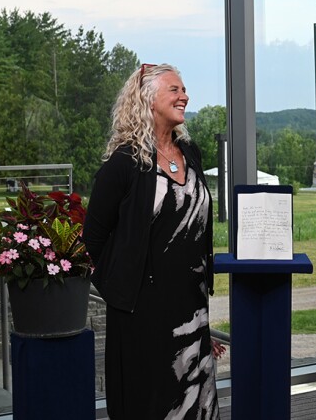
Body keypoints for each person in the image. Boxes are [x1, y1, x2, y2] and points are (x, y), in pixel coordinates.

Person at [83, 63, 223, 419]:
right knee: (151, 403)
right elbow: (94, 238)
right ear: (148, 99)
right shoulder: (124, 163)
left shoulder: (191, 154)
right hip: (142, 316)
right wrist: (124, 289)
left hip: (191, 307)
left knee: (195, 401)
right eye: (174, 89)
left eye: (184, 89)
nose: (184, 96)